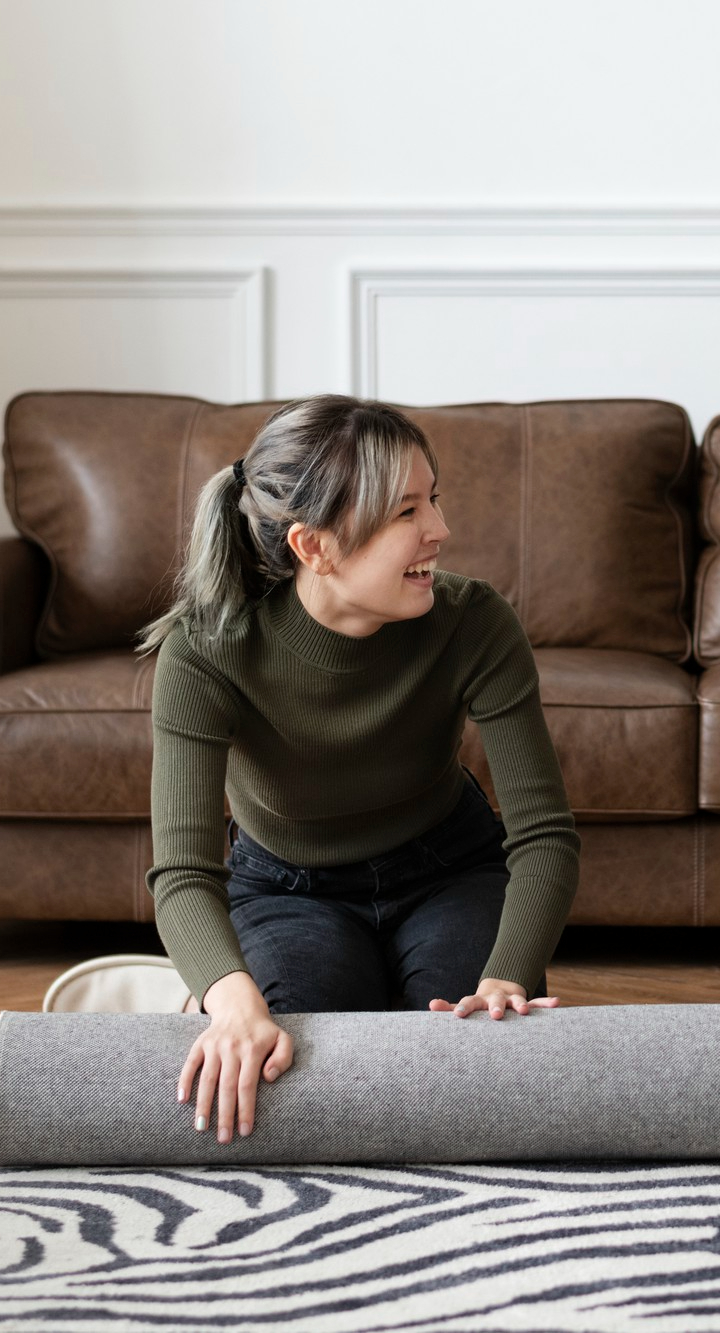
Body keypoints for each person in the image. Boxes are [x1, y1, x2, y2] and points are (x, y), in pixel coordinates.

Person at [140, 395, 580, 1145]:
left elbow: (543, 834)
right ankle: (204, 985)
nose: (440, 529)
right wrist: (232, 996)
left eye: (433, 499)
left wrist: (509, 973)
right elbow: (181, 870)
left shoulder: (474, 620)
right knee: (293, 1067)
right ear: (315, 546)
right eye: (407, 511)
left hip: (449, 869)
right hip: (286, 887)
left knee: (474, 1066)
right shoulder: (206, 648)